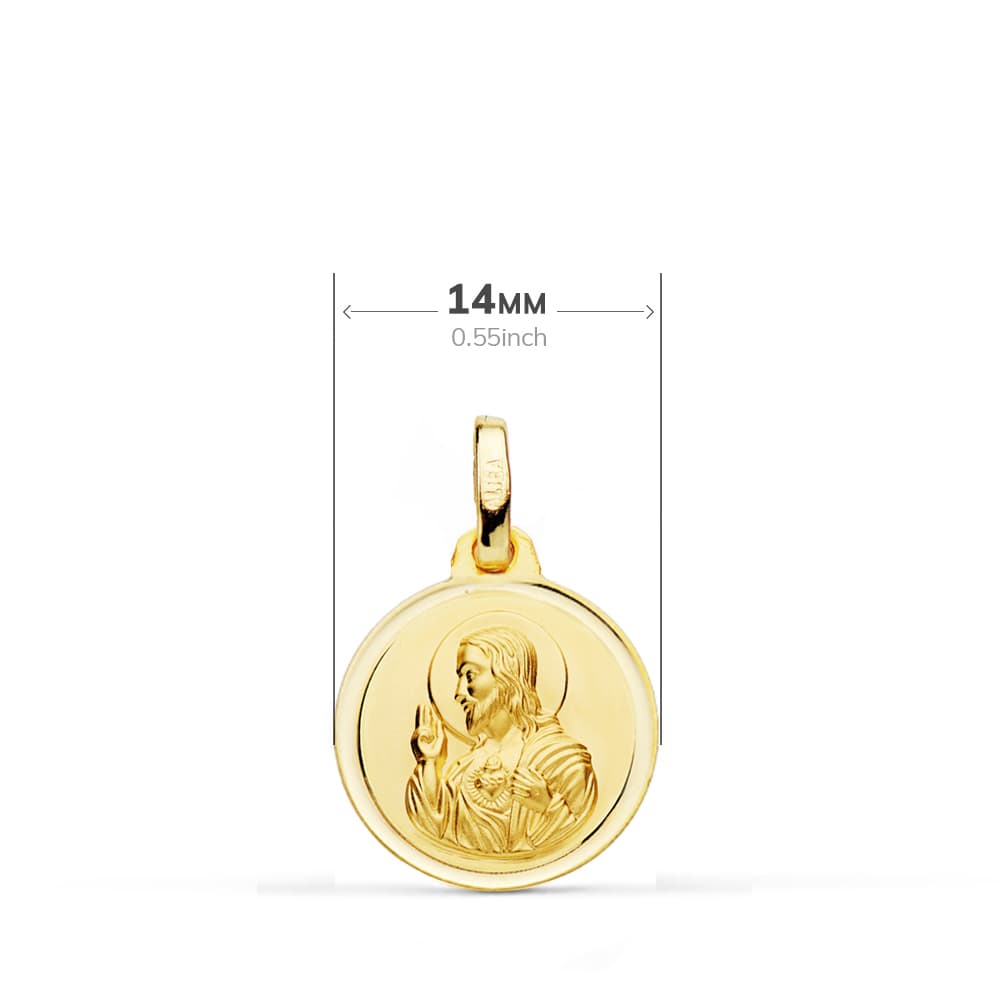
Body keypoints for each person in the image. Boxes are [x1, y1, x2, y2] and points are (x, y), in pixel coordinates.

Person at [405, 625, 597, 854]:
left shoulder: (562, 761)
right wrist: (429, 762)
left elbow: (578, 837)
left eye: (469, 675)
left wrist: (548, 805)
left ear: (508, 677)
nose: (458, 693)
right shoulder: (462, 769)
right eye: (459, 678)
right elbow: (433, 831)